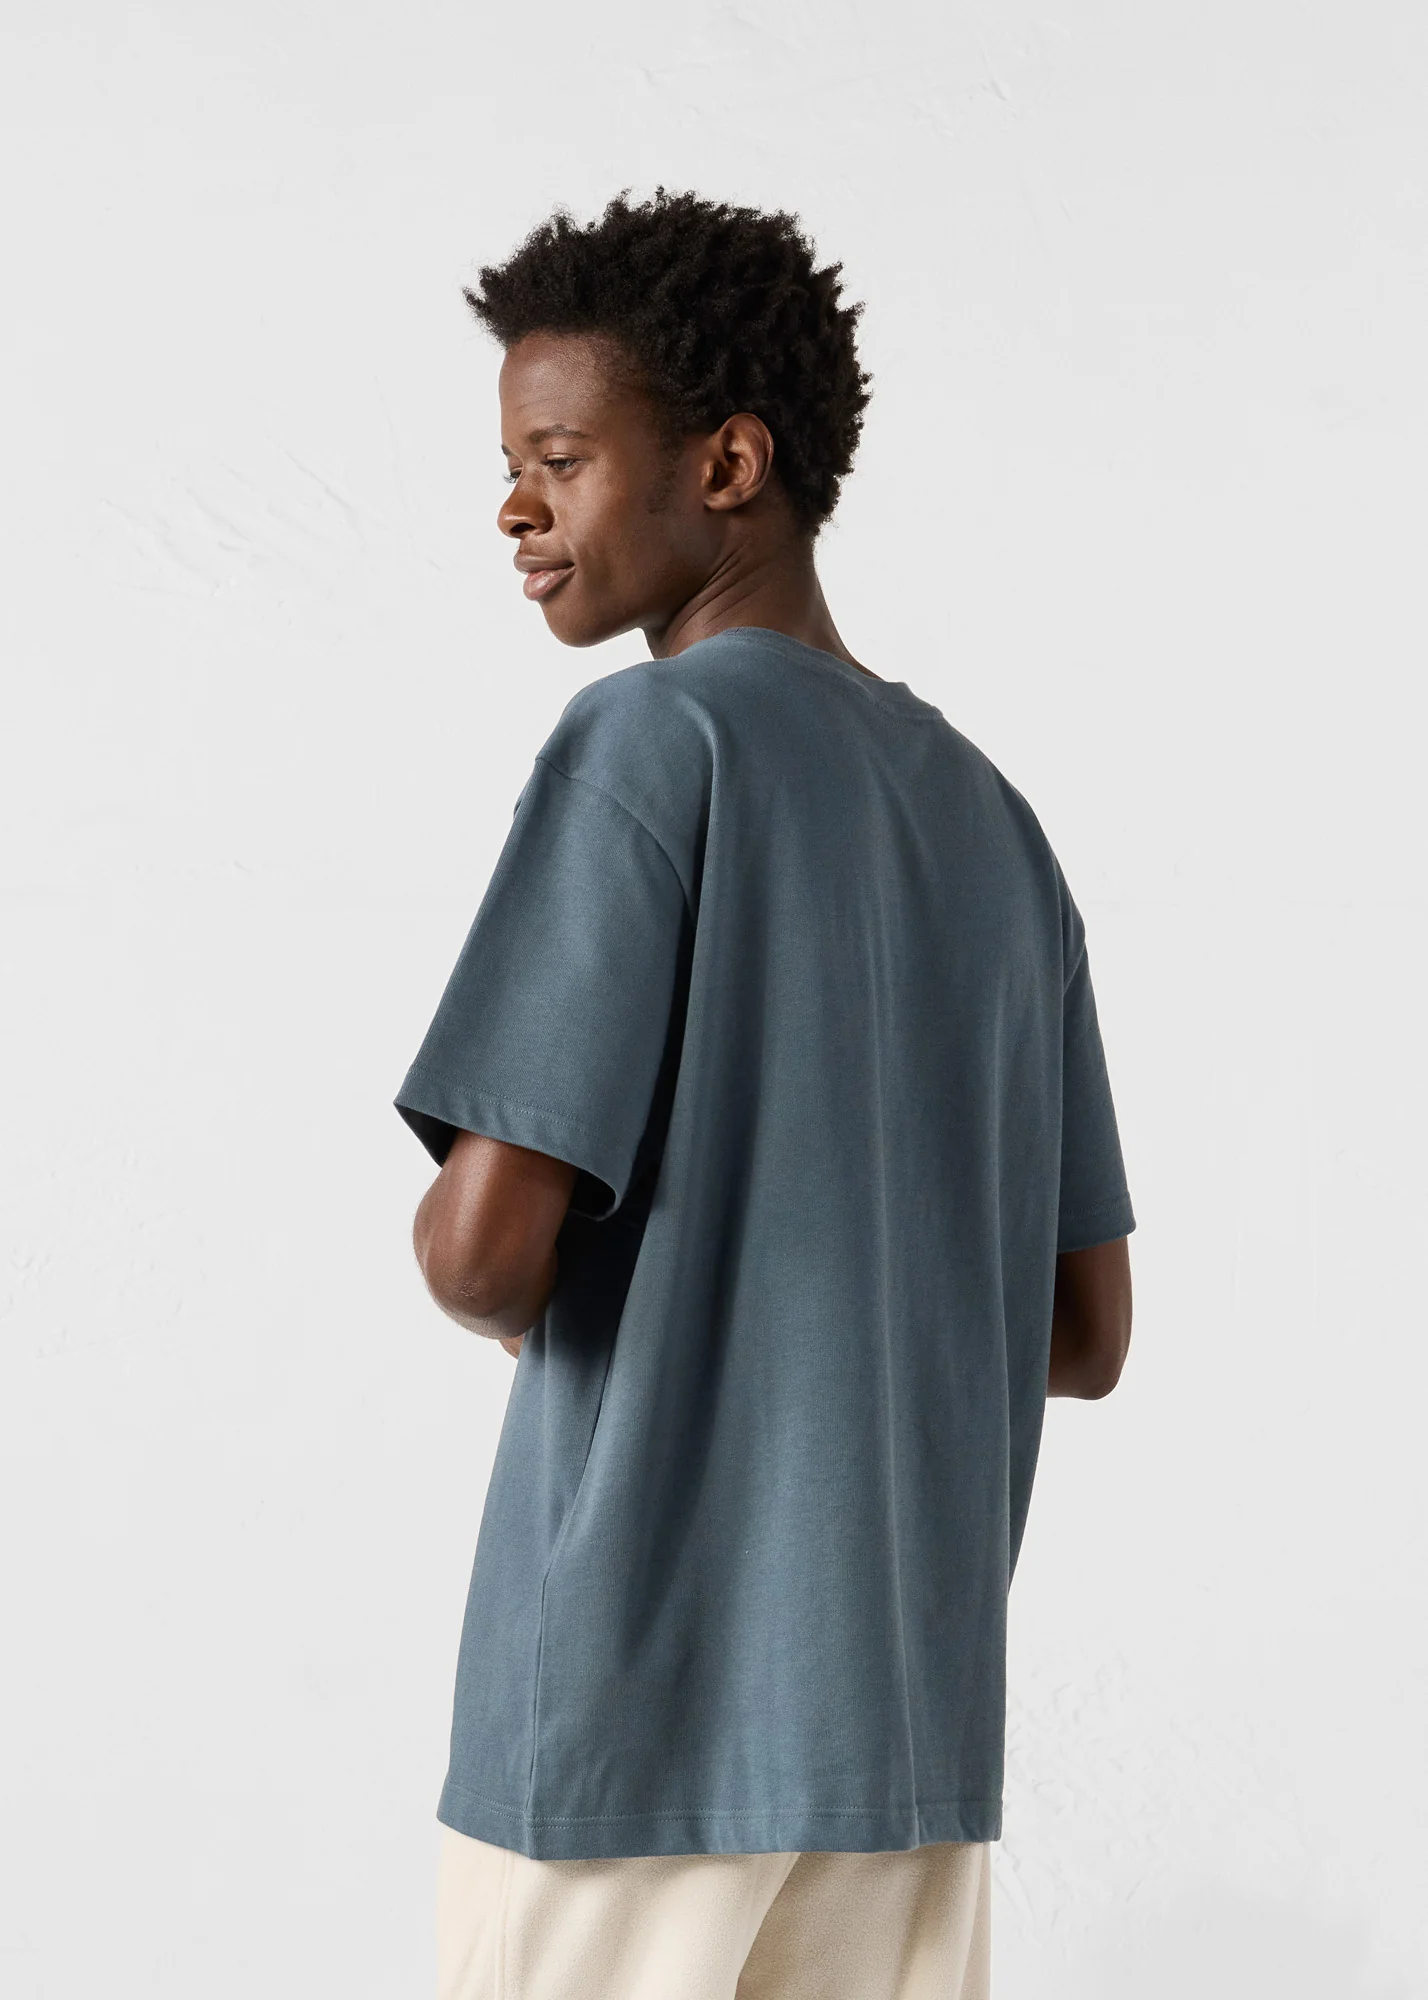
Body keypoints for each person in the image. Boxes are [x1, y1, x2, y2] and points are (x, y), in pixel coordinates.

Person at [393, 188, 1136, 2000]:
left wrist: (627, 1294)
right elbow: (1084, 1330)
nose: (514, 510)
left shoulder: (653, 740)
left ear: (729, 463)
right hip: (903, 1739)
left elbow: (485, 1256)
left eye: (560, 461)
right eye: (512, 469)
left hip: (630, 1725)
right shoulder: (997, 826)